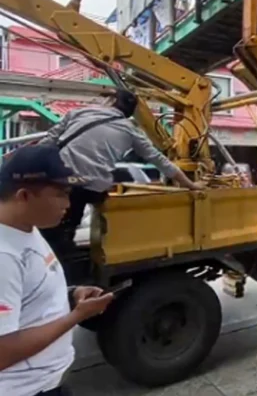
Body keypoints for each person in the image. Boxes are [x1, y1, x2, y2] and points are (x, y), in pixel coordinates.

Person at [0, 145, 115, 396]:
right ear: (24, 196)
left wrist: (71, 294)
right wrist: (76, 317)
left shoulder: (25, 227)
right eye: (61, 193)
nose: (68, 204)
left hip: (47, 384)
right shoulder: (4, 257)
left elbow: (31, 293)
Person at [36, 89, 204, 259]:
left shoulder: (79, 112)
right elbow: (160, 160)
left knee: (55, 230)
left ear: (110, 101)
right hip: (94, 187)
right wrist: (191, 185)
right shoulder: (130, 130)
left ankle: (60, 258)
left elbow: (48, 142)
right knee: (74, 215)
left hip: (62, 180)